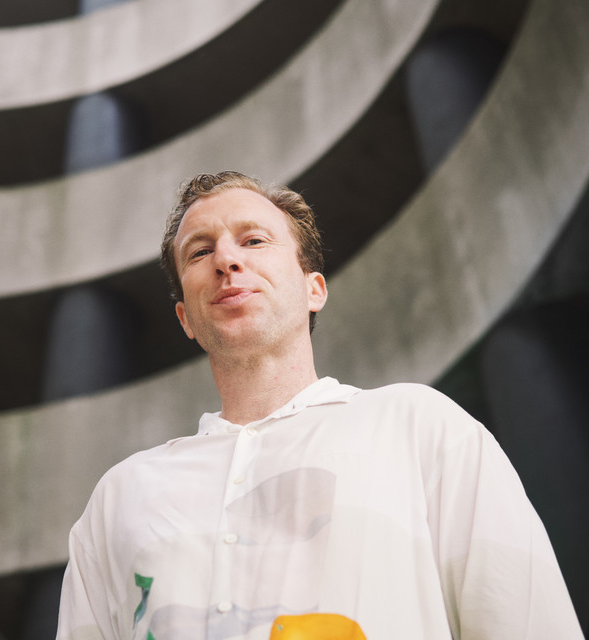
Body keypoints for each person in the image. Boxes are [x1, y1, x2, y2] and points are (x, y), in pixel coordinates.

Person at [56, 171, 583, 639]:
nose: (226, 260)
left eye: (254, 240)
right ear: (185, 319)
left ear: (315, 290)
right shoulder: (119, 498)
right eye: (199, 252)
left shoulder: (421, 426)